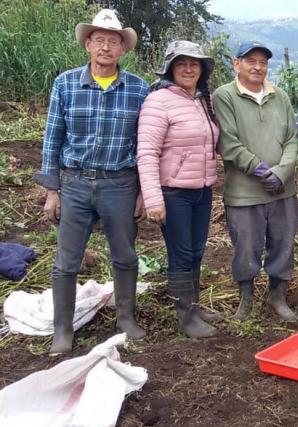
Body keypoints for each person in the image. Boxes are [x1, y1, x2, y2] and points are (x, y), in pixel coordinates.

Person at [33, 9, 148, 355]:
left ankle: (125, 318)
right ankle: (63, 329)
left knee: (125, 255)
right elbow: (52, 138)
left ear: (122, 49)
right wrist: (52, 190)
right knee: (67, 260)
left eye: (113, 42)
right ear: (87, 45)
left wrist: (144, 190)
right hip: (75, 183)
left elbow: (144, 144)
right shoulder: (66, 84)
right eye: (99, 40)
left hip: (120, 183)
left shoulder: (138, 89)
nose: (106, 48)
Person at [212, 41, 298, 322]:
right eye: (250, 60)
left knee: (283, 244)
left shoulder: (280, 96)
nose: (257, 66)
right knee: (246, 247)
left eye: (263, 62)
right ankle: (246, 299)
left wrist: (281, 173)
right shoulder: (224, 96)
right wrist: (262, 171)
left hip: (282, 190)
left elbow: (291, 139)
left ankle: (278, 296)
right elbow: (228, 141)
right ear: (236, 64)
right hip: (244, 192)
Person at [137, 40, 221, 339]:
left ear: (202, 70)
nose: (188, 68)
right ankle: (186, 316)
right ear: (171, 68)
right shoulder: (158, 101)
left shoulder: (202, 99)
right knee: (181, 253)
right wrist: (153, 198)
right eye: (181, 63)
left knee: (197, 251)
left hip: (202, 189)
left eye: (194, 63)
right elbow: (147, 152)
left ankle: (194, 306)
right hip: (173, 191)